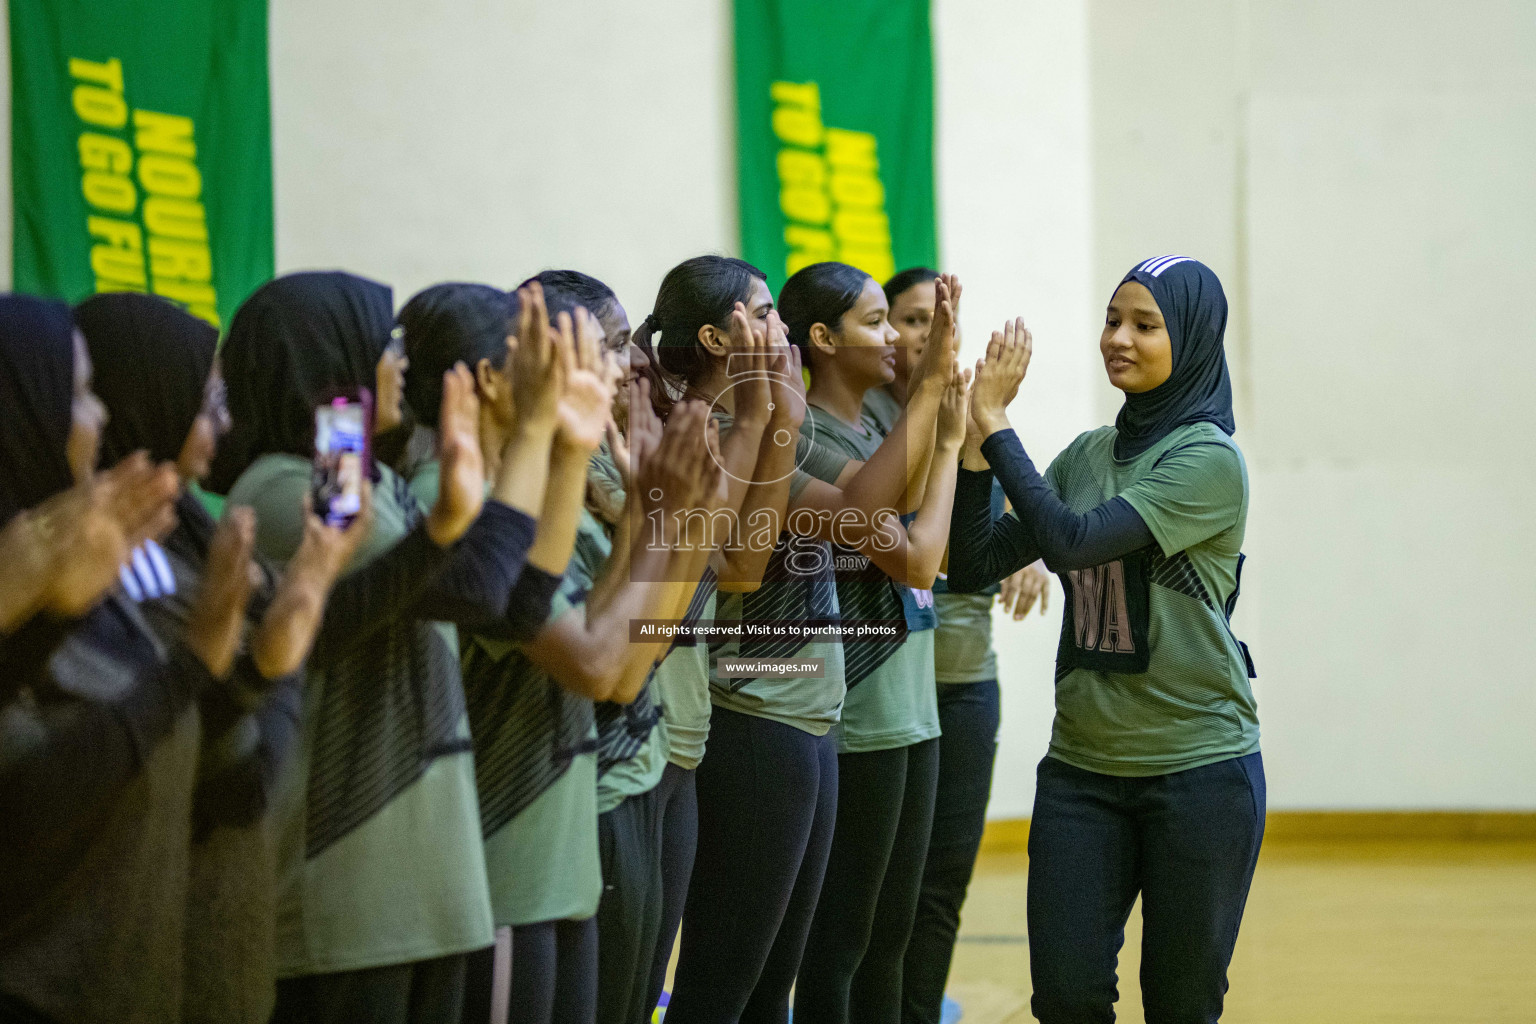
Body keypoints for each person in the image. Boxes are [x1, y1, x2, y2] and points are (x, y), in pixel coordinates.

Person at [214, 271, 542, 1024]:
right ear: (331, 362)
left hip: (422, 890)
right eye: (380, 342)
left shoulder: (361, 477)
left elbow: (498, 593)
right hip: (347, 896)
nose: (398, 361)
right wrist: (533, 433)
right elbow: (475, 590)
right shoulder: (284, 485)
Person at [948, 256, 1263, 1024]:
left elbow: (1074, 541)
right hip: (1081, 776)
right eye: (1113, 320)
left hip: (1199, 774)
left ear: (1191, 339)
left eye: (1145, 325)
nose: (1119, 338)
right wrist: (969, 454)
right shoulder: (1089, 453)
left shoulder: (1208, 460)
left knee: (1181, 1004)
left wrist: (998, 427)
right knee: (1065, 996)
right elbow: (972, 565)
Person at [658, 255, 959, 1024]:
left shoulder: (767, 422)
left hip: (809, 714)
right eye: (760, 315)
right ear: (714, 338)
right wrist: (784, 419)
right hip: (755, 711)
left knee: (773, 980)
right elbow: (756, 565)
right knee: (727, 982)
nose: (778, 329)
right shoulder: (717, 430)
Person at [74, 291, 379, 1024]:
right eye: (206, 399)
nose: (223, 420)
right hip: (178, 914)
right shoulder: (269, 491)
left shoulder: (192, 528)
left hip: (233, 901)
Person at [0, 294, 250, 1024]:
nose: (100, 415)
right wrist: (196, 661)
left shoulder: (73, 559)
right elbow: (26, 812)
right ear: (26, 406)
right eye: (79, 394)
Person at [778, 262, 968, 1024]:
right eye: (876, 320)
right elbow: (916, 550)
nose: (895, 337)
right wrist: (946, 437)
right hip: (859, 711)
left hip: (912, 704)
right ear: (822, 339)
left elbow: (934, 529)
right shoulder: (809, 437)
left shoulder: (877, 424)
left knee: (891, 935)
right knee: (844, 939)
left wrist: (947, 422)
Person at [879, 269, 1050, 1024]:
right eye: (909, 319)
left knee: (944, 879)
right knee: (879, 882)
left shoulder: (978, 423)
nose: (922, 332)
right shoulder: (867, 427)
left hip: (966, 685)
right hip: (882, 691)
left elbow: (1008, 522)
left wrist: (1033, 556)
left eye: (933, 319)